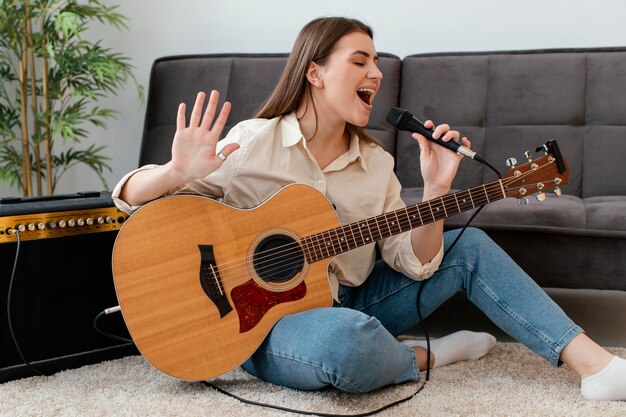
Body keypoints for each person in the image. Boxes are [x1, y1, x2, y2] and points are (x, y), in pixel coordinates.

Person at [113, 17, 626, 400]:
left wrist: (434, 193)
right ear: (314, 72)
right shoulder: (253, 141)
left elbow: (416, 262)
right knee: (345, 345)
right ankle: (422, 355)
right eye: (360, 61)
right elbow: (135, 203)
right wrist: (175, 174)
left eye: (377, 63)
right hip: (261, 324)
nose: (376, 74)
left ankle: (596, 367)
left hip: (352, 299)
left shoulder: (377, 165)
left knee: (466, 245)